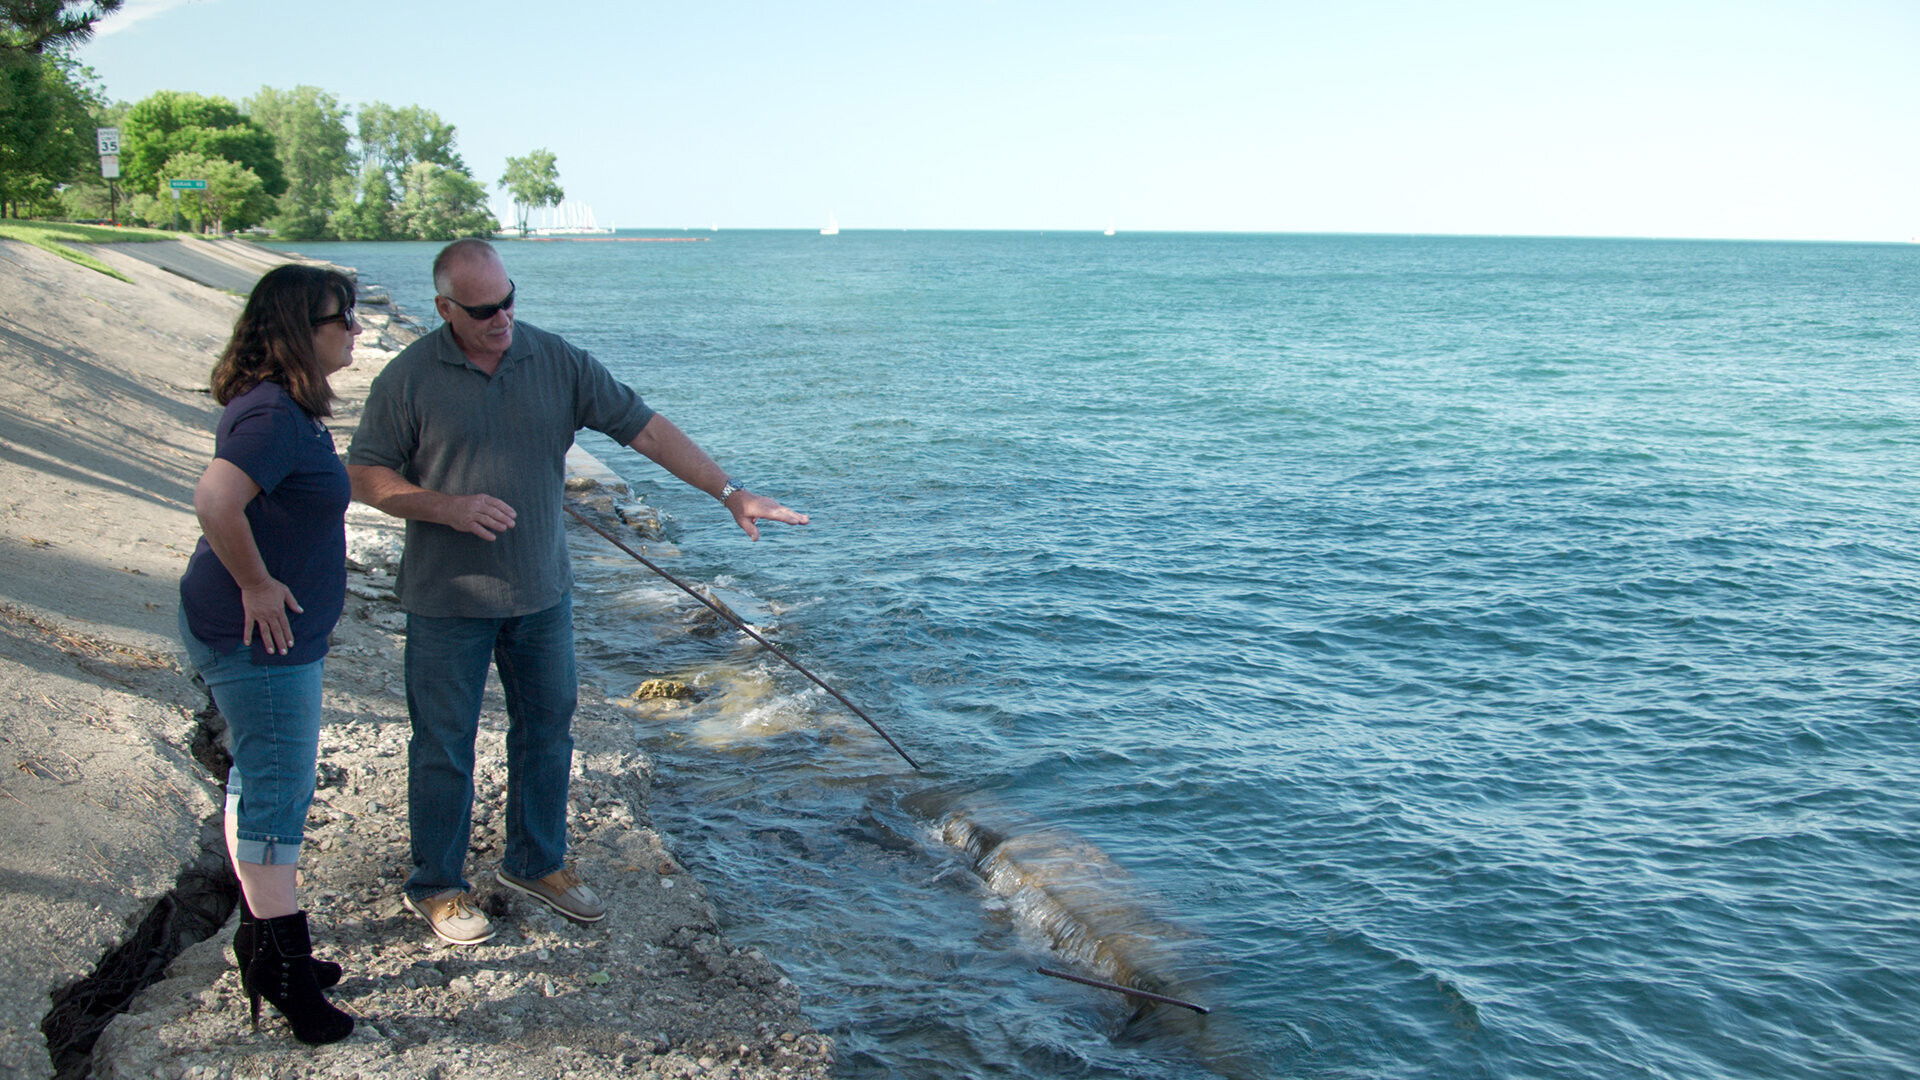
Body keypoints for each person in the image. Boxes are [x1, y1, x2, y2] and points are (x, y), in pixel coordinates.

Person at [347, 238, 808, 946]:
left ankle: (536, 863)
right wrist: (445, 506)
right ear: (444, 309)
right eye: (482, 310)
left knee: (548, 734)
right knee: (443, 744)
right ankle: (436, 885)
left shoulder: (555, 359)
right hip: (447, 600)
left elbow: (645, 430)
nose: (501, 318)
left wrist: (728, 491)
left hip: (541, 596)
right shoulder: (408, 378)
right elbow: (366, 474)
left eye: (509, 300)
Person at [177, 264, 361, 1045]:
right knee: (277, 796)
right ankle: (284, 970)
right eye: (338, 318)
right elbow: (216, 499)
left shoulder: (288, 409)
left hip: (268, 637)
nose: (353, 329)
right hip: (258, 642)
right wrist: (256, 584)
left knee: (260, 782)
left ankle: (262, 939)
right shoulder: (272, 417)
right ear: (298, 330)